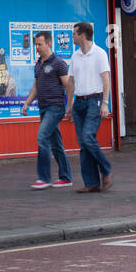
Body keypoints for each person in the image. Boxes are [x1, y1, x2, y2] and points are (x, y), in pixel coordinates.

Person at [20, 31, 73, 189]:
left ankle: (43, 178)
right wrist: (26, 104)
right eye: (36, 44)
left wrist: (69, 106)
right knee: (56, 144)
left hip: (55, 107)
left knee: (42, 137)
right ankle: (66, 177)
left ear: (49, 44)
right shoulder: (38, 64)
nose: (37, 47)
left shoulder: (59, 63)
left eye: (39, 44)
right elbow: (35, 87)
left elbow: (68, 86)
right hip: (43, 108)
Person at [68, 22, 113, 192]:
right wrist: (70, 105)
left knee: (87, 138)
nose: (72, 36)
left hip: (95, 100)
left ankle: (106, 169)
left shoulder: (99, 53)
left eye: (74, 33)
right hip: (79, 102)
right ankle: (91, 183)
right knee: (83, 144)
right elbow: (71, 82)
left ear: (82, 35)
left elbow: (105, 79)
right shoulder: (75, 56)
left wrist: (105, 103)